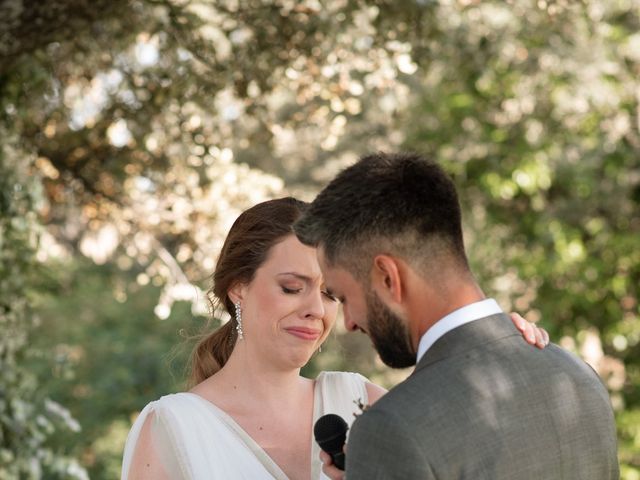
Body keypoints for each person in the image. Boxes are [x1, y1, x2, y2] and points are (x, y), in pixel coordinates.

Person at [121, 197, 547, 480]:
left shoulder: (361, 402)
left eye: (329, 293)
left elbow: (489, 451)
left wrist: (498, 352)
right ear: (238, 287)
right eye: (292, 286)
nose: (315, 308)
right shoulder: (171, 428)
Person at [294, 152, 619, 480]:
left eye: (344, 297)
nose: (348, 322)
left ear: (388, 277)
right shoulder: (579, 376)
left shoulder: (392, 430)